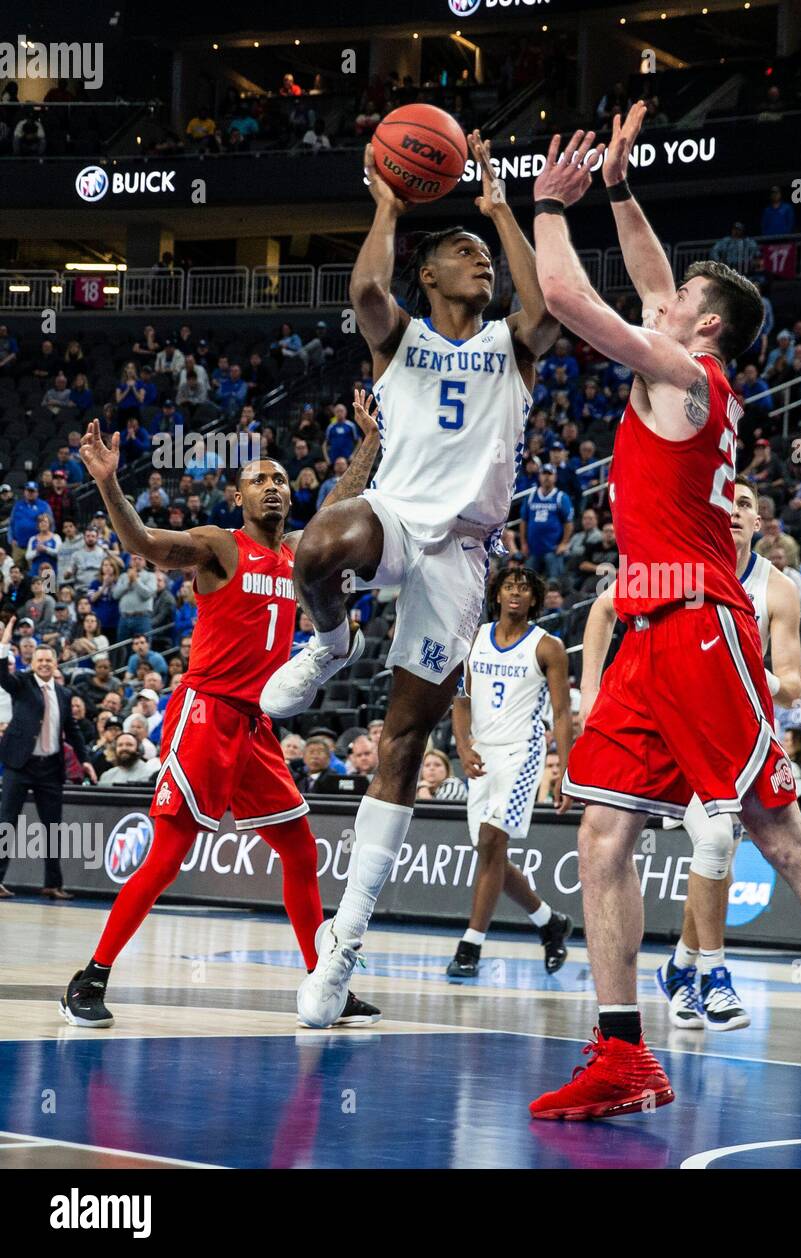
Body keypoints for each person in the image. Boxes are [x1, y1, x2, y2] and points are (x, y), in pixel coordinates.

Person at [529, 106, 801, 1125]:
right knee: (601, 829)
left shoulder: (684, 374)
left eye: (678, 300)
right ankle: (622, 1049)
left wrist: (548, 203)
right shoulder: (687, 359)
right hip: (644, 633)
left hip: (700, 624)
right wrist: (623, 191)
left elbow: (562, 293)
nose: (662, 298)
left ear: (703, 323)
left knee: (775, 824)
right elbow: (645, 277)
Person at [263, 131, 558, 1031]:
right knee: (318, 547)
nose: (481, 265)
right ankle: (329, 638)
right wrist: (389, 205)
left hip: (460, 558)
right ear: (427, 277)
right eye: (463, 253)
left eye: (484, 256)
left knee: (398, 746)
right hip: (393, 518)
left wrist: (503, 212)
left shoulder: (513, 344)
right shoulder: (401, 341)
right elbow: (363, 290)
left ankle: (341, 951)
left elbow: (544, 305)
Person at [57, 406, 382, 1030]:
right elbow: (147, 545)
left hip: (258, 725)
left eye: (282, 478)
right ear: (238, 496)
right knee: (171, 850)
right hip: (206, 711)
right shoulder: (217, 546)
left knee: (298, 848)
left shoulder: (298, 553)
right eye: (261, 478)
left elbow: (341, 506)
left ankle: (325, 983)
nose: (274, 486)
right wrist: (107, 482)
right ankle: (90, 977)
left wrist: (368, 443)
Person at [584, 476, 801, 1030]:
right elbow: (603, 610)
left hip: (733, 735)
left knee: (716, 848)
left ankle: (681, 966)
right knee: (714, 841)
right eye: (727, 502)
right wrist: (590, 694)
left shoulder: (778, 589)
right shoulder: (679, 567)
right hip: (671, 735)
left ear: (759, 523)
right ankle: (713, 974)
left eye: (747, 505)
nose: (734, 511)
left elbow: (795, 683)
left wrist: (749, 675)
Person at [446, 567, 574, 979]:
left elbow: (561, 713)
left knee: (490, 840)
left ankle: (470, 947)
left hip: (522, 753)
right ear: (497, 595)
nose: (515, 594)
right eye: (508, 587)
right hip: (481, 753)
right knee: (490, 854)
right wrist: (463, 747)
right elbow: (460, 699)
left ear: (534, 599)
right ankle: (549, 922)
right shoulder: (475, 638)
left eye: (523, 589)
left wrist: (566, 772)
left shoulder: (548, 646)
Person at [0, 627, 97, 899]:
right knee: (6, 823)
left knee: (53, 827)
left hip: (50, 769)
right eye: (39, 660)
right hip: (20, 765)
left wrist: (85, 761)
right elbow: (1, 676)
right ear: (32, 664)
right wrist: (4, 646)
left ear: (56, 664)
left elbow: (74, 732)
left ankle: (52, 884)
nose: (44, 664)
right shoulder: (21, 684)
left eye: (48, 660)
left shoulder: (65, 694)